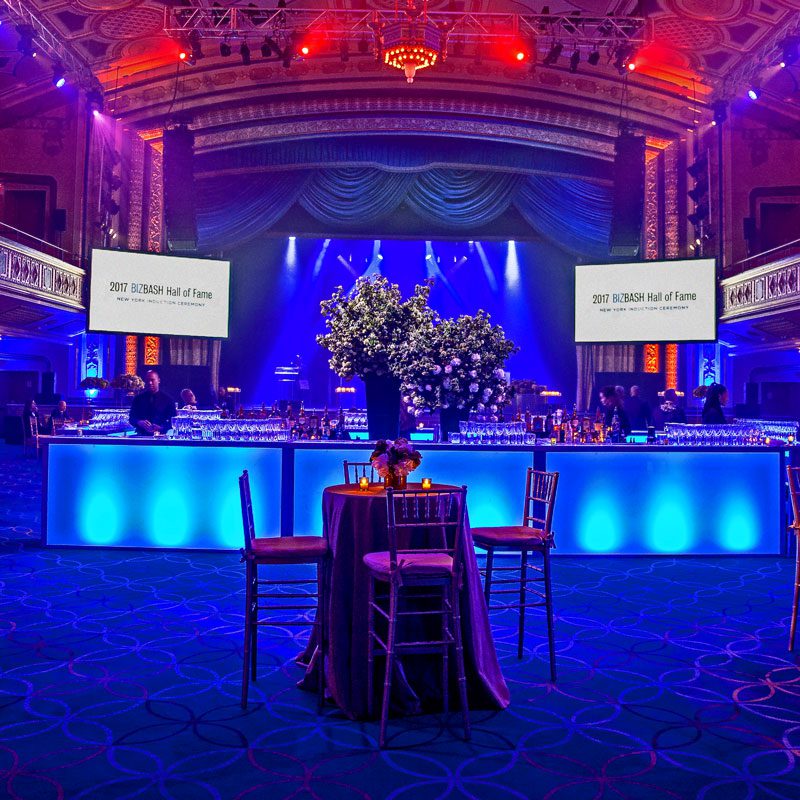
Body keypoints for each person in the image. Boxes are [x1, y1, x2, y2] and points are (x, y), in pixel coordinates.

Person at [129, 369, 177, 435]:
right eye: (148, 380)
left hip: (161, 436)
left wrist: (161, 428)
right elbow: (131, 418)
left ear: (158, 380)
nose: (150, 383)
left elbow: (174, 420)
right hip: (141, 436)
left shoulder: (168, 400)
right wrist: (139, 422)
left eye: (152, 380)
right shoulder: (138, 399)